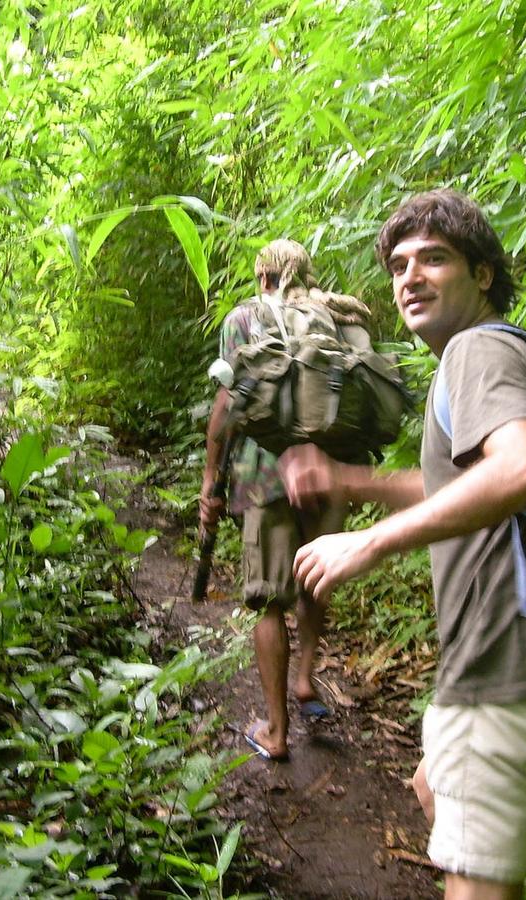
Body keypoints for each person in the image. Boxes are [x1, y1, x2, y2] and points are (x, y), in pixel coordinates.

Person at [278, 189, 526, 899]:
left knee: (473, 881)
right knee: (431, 782)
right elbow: (461, 483)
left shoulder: (477, 352)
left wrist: (369, 543)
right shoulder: (499, 355)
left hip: (508, 669)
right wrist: (351, 479)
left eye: (434, 258)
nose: (411, 276)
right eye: (400, 264)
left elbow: (521, 471)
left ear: (483, 273)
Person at [199, 239, 360, 762]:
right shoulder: (333, 317)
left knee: (269, 599)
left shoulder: (243, 319)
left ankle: (275, 730)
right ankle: (307, 678)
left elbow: (227, 406)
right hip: (329, 470)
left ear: (264, 275)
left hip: (264, 473)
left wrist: (211, 483)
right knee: (315, 575)